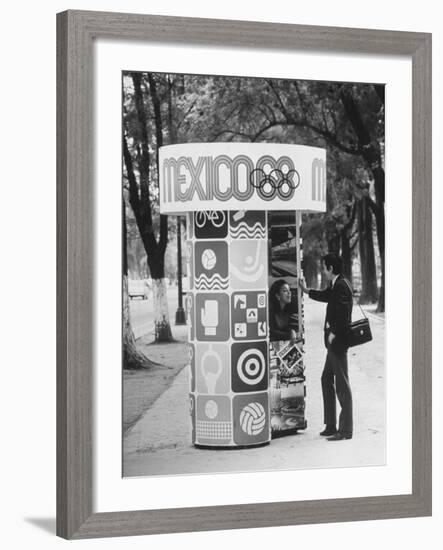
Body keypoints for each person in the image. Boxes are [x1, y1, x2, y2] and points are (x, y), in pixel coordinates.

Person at [299, 254, 354, 441]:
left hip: (337, 342)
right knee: (326, 379)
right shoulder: (337, 284)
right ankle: (331, 425)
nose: (323, 271)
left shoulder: (341, 286)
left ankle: (345, 430)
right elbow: (326, 296)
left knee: (342, 385)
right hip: (333, 342)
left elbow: (344, 314)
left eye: (324, 268)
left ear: (330, 268)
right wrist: (307, 291)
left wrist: (334, 332)